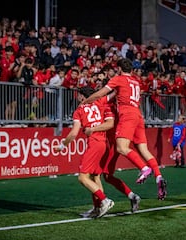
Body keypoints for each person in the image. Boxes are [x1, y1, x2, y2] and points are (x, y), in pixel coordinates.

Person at [81, 58, 167, 200]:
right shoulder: (135, 81)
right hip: (138, 114)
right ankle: (158, 176)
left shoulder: (118, 80)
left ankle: (144, 169)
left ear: (120, 69)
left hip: (126, 117)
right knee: (143, 150)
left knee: (121, 148)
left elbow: (100, 94)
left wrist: (85, 102)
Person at [82, 83, 141, 217]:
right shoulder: (109, 105)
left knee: (96, 175)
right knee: (105, 176)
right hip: (108, 143)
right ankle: (130, 197)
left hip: (110, 144)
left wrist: (92, 129)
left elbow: (110, 124)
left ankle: (101, 205)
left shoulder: (108, 106)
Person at [54, 86, 114, 218]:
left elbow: (74, 133)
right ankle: (97, 208)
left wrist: (62, 145)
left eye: (78, 95)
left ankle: (105, 200)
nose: (77, 98)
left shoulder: (79, 110)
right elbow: (110, 124)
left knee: (82, 178)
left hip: (94, 144)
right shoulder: (102, 104)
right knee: (95, 177)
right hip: (104, 144)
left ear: (82, 96)